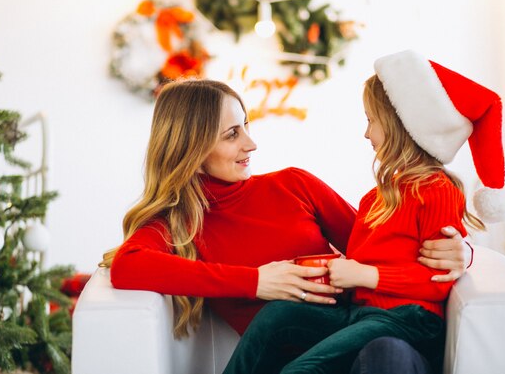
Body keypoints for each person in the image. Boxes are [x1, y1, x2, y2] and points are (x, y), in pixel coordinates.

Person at [101, 78, 472, 372]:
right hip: (288, 361)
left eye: (246, 126)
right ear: (192, 150)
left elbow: (381, 244)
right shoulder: (178, 223)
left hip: (371, 343)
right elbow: (128, 265)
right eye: (232, 134)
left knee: (387, 353)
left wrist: (463, 252)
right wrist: (256, 282)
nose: (252, 143)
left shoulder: (293, 185)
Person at [222, 50, 505, 374]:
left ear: (402, 127)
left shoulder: (437, 191)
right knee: (276, 316)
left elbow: (436, 282)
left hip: (410, 320)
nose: (366, 133)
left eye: (371, 121)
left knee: (304, 368)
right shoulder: (375, 199)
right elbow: (368, 260)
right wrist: (332, 272)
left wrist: (365, 275)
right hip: (364, 315)